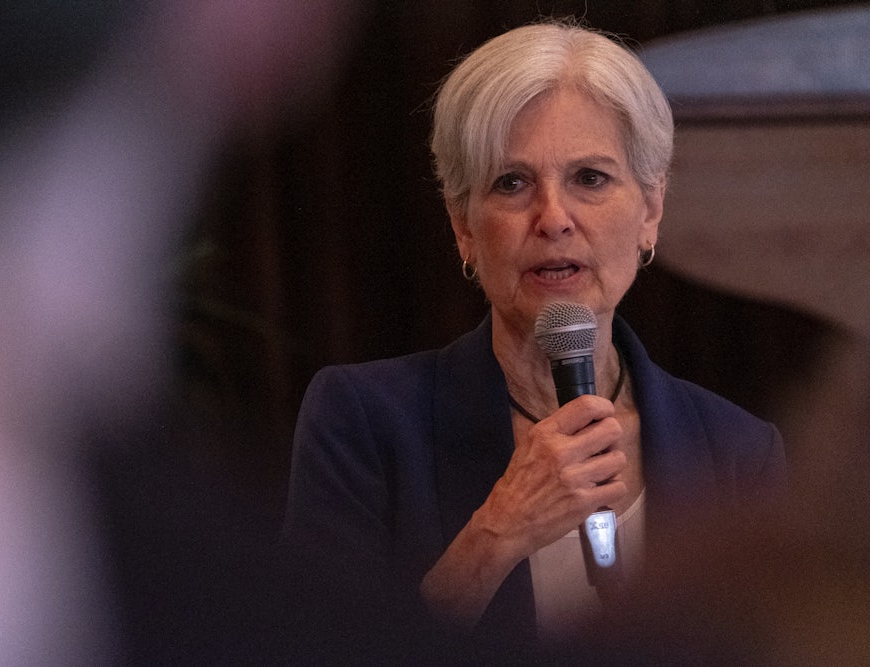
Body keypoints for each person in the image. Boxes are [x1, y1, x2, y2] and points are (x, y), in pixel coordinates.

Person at [282, 20, 787, 657]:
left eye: (591, 179)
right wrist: (498, 533)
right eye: (512, 183)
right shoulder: (364, 422)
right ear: (463, 224)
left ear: (650, 210)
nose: (553, 219)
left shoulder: (737, 451)